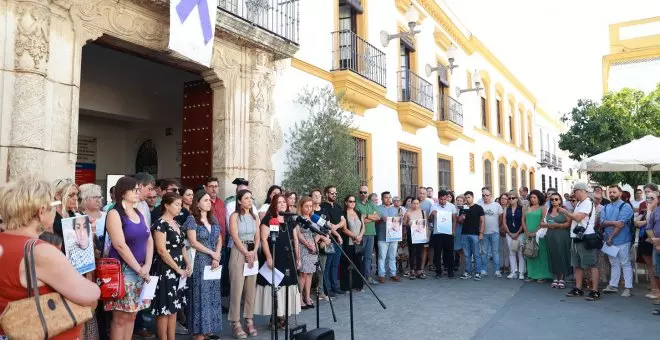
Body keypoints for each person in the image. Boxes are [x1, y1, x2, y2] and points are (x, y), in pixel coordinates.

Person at [0, 175, 100, 340]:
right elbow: (88, 295)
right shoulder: (40, 252)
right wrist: (94, 286)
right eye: (54, 204)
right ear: (41, 212)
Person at [104, 176, 155, 340]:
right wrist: (140, 269)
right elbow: (120, 245)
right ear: (123, 192)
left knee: (132, 315)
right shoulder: (114, 213)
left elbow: (149, 239)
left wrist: (147, 264)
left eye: (138, 190)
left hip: (141, 270)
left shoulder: (138, 211)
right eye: (134, 190)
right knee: (120, 318)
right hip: (124, 271)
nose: (137, 193)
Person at [254, 194, 301, 329]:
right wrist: (269, 257)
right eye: (279, 202)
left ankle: (283, 316)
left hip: (288, 257)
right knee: (275, 287)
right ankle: (275, 317)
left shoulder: (289, 219)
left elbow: (295, 239)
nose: (282, 204)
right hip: (275, 257)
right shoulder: (268, 219)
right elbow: (264, 240)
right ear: (274, 205)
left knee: (287, 285)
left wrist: (297, 257)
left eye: (283, 202)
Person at [150, 193, 192, 340]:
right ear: (166, 205)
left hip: (178, 268)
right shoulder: (159, 224)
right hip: (165, 269)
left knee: (174, 308)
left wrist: (188, 263)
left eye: (180, 205)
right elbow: (161, 250)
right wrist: (177, 268)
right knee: (164, 309)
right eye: (176, 204)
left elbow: (182, 247)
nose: (179, 207)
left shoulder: (178, 224)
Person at [184, 190, 223, 340]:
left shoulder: (213, 219)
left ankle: (209, 328)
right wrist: (212, 253)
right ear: (198, 203)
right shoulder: (191, 220)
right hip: (200, 261)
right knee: (200, 295)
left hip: (214, 261)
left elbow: (219, 239)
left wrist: (217, 255)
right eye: (205, 200)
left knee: (212, 294)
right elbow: (193, 242)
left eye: (209, 200)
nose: (209, 202)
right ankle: (198, 331)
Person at [228, 189, 260, 338]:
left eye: (251, 198)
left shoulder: (255, 217)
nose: (249, 200)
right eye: (246, 198)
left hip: (253, 251)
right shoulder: (234, 216)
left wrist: (253, 253)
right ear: (239, 201)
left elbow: (258, 236)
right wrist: (246, 253)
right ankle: (235, 322)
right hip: (239, 251)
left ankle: (249, 319)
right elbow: (234, 236)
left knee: (250, 289)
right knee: (237, 288)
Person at [560, 182, 600, 301]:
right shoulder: (579, 203)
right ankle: (578, 288)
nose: (573, 194)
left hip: (586, 237)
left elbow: (578, 218)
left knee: (592, 264)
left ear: (581, 191)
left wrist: (565, 212)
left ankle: (595, 290)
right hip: (577, 236)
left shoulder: (587, 203)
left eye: (575, 191)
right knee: (576, 264)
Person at [600, 185, 634, 297]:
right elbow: (602, 222)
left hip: (622, 239)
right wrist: (614, 223)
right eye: (610, 192)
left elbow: (621, 224)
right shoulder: (606, 207)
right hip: (609, 240)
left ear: (620, 193)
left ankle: (628, 288)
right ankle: (613, 285)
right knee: (614, 263)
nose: (611, 194)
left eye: (614, 192)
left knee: (625, 263)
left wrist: (610, 236)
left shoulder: (626, 206)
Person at [542, 193, 572, 288]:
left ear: (560, 200)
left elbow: (569, 224)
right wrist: (548, 225)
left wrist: (558, 225)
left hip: (562, 235)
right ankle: (555, 276)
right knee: (552, 255)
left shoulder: (564, 210)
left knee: (562, 255)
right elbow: (541, 223)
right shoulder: (547, 211)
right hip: (550, 235)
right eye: (552, 199)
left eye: (556, 199)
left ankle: (562, 278)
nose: (554, 201)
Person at [320, 186, 346, 297]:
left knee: (336, 264)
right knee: (328, 264)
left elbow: (343, 221)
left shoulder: (338, 206)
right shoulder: (323, 207)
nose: (334, 195)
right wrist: (334, 229)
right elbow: (327, 224)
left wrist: (336, 226)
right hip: (329, 239)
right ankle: (327, 288)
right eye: (332, 193)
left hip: (339, 238)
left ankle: (335, 286)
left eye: (335, 193)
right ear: (326, 194)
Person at [522, 190, 552, 282]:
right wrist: (526, 231)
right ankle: (531, 274)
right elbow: (523, 220)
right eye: (531, 197)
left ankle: (542, 275)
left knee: (540, 254)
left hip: (539, 234)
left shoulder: (543, 208)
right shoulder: (526, 208)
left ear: (539, 198)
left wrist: (535, 232)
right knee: (529, 253)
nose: (532, 199)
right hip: (527, 233)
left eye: (534, 197)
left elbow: (543, 221)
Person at [635, 191, 659, 301]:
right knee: (654, 268)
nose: (649, 201)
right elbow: (642, 225)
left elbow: (647, 223)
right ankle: (656, 290)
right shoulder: (649, 211)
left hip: (654, 241)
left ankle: (656, 290)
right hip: (649, 241)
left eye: (652, 198)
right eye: (647, 198)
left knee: (655, 267)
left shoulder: (654, 211)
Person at [296, 197, 319, 307]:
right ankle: (299, 298)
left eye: (311, 206)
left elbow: (319, 232)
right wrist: (307, 244)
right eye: (306, 206)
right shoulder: (298, 219)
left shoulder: (313, 218)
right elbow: (298, 234)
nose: (309, 208)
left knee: (310, 273)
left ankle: (307, 296)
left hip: (313, 247)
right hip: (303, 247)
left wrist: (315, 243)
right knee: (303, 274)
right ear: (301, 206)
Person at [340, 195, 365, 292]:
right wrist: (355, 236)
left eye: (354, 201)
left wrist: (360, 236)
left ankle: (358, 285)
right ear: (346, 202)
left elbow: (363, 227)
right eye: (350, 201)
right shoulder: (343, 213)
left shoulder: (358, 213)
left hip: (358, 242)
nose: (352, 203)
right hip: (348, 242)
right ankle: (346, 287)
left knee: (358, 263)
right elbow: (344, 229)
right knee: (347, 264)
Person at [356, 185, 380, 285]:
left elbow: (378, 217)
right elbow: (359, 220)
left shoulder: (371, 203)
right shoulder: (356, 204)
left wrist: (366, 215)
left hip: (371, 233)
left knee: (368, 257)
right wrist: (371, 217)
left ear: (368, 193)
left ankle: (367, 276)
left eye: (365, 192)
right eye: (361, 192)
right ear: (359, 193)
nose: (363, 194)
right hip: (361, 234)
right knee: (359, 256)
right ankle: (359, 278)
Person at [430, 190, 456, 278]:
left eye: (445, 199)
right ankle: (438, 272)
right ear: (438, 198)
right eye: (441, 199)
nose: (443, 201)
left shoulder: (451, 206)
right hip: (437, 233)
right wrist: (432, 215)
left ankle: (450, 271)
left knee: (449, 252)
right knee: (437, 253)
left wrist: (453, 230)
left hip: (448, 233)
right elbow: (429, 220)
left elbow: (454, 220)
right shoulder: (434, 206)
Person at [459, 191, 485, 281]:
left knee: (477, 254)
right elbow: (460, 221)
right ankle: (468, 272)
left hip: (475, 234)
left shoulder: (478, 208)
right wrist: (462, 217)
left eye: (469, 197)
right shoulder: (463, 208)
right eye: (465, 198)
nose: (467, 199)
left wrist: (481, 233)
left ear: (472, 197)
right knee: (466, 254)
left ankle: (478, 272)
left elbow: (482, 221)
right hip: (464, 233)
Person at [478, 188, 503, 277]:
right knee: (484, 252)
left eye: (487, 195)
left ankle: (497, 270)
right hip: (483, 232)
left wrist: (498, 226)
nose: (485, 197)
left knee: (495, 252)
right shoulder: (479, 205)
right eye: (483, 195)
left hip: (494, 232)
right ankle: (484, 269)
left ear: (490, 195)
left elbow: (501, 217)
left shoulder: (496, 205)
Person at [377, 191, 401, 282]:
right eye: (386, 197)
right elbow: (375, 221)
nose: (388, 199)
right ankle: (381, 274)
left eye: (389, 197)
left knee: (392, 256)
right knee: (382, 256)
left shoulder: (395, 209)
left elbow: (398, 222)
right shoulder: (378, 208)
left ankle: (393, 274)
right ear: (382, 199)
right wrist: (380, 219)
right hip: (382, 236)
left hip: (394, 236)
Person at [503, 193, 525, 280]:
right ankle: (513, 271)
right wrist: (508, 232)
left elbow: (523, 221)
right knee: (511, 253)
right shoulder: (506, 209)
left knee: (520, 253)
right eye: (509, 198)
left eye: (513, 198)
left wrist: (518, 232)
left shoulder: (522, 208)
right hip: (509, 233)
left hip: (520, 233)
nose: (511, 199)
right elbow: (504, 222)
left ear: (517, 199)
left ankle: (521, 272)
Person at [403, 198, 427, 279]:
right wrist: (408, 223)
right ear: (411, 204)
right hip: (411, 234)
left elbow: (425, 224)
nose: (415, 205)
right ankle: (412, 270)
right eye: (414, 203)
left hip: (420, 234)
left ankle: (419, 270)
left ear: (419, 204)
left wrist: (426, 235)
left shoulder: (423, 212)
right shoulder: (408, 212)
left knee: (419, 253)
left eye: (417, 203)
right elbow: (403, 223)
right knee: (412, 252)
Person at [453, 195, 466, 273]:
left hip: (462, 229)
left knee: (462, 249)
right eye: (457, 200)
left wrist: (456, 218)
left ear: (463, 202)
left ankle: (464, 267)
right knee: (455, 248)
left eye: (461, 200)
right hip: (455, 229)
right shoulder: (453, 208)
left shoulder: (465, 209)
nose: (458, 202)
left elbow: (462, 220)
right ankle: (455, 264)